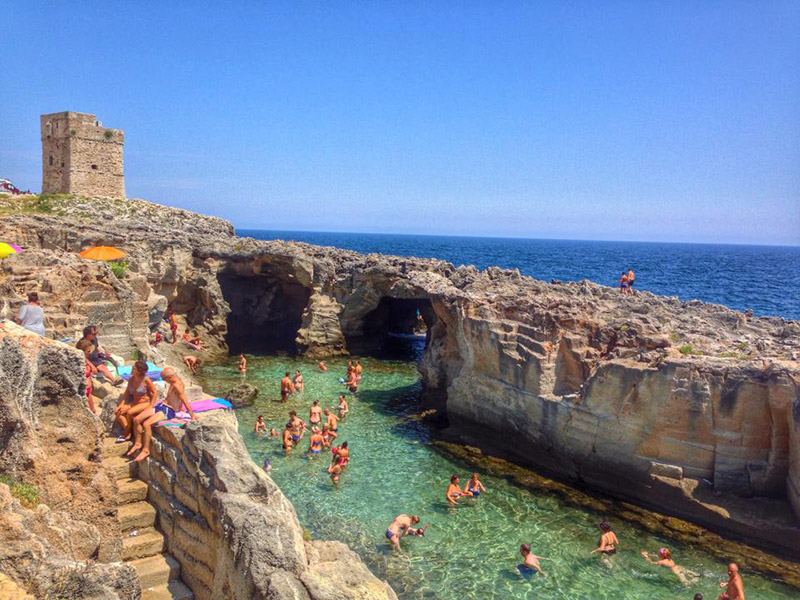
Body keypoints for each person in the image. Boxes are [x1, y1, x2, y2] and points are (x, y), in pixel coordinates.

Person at [131, 367, 197, 462]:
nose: (163, 380)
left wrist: (192, 415)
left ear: (169, 377)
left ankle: (146, 450)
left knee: (146, 424)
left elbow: (184, 399)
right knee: (136, 419)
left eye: (163, 378)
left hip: (168, 410)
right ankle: (138, 443)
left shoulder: (177, 385)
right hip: (161, 406)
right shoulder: (173, 383)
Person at [114, 360, 157, 444]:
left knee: (130, 413)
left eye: (134, 368)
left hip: (144, 403)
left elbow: (155, 392)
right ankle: (128, 430)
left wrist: (151, 406)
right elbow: (126, 392)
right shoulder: (131, 378)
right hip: (134, 402)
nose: (131, 369)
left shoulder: (146, 380)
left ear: (139, 371)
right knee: (118, 412)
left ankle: (126, 433)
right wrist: (121, 404)